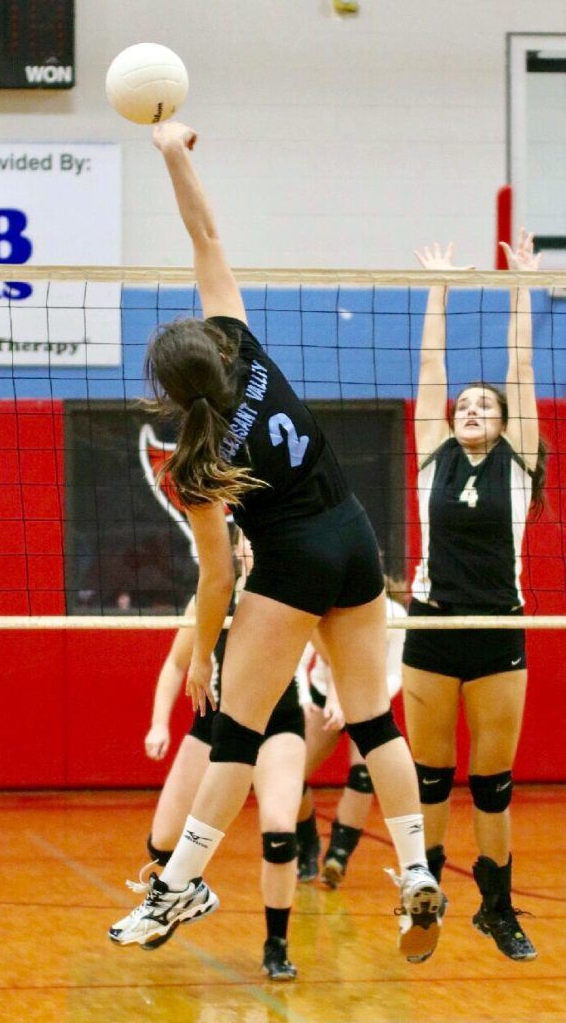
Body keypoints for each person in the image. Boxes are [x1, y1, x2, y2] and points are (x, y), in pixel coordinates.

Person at [108, 120, 444, 964]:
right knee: (373, 722)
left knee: (238, 731)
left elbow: (217, 577)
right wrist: (173, 153)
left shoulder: (198, 460)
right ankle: (412, 872)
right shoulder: (244, 348)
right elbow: (206, 235)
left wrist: (201, 657)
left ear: (171, 394)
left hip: (290, 561)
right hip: (356, 538)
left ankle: (181, 881)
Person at [402, 232, 545, 961]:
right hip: (431, 626)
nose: (472, 408)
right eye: (466, 405)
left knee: (492, 785)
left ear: (504, 422)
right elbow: (432, 368)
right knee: (431, 780)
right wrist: (441, 289)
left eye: (485, 407)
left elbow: (522, 369)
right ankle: (423, 897)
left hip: (497, 628)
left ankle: (497, 907)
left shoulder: (521, 464)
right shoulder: (434, 455)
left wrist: (522, 286)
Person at [138, 532, 305, 980]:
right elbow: (177, 664)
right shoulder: (213, 601)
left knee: (279, 832)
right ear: (235, 548)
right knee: (162, 842)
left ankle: (277, 945)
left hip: (276, 724)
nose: (254, 546)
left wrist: (348, 696)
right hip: (212, 727)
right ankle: (175, 898)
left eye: (259, 538)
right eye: (248, 540)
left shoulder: (293, 595)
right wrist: (158, 723)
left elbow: (332, 645)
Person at [296, 590, 407, 887]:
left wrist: (368, 698)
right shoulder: (326, 604)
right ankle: (307, 843)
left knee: (363, 775)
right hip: (323, 697)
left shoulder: (395, 614)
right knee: (291, 777)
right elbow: (300, 658)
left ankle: (338, 857)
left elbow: (396, 674)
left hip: (368, 701)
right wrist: (305, 698)